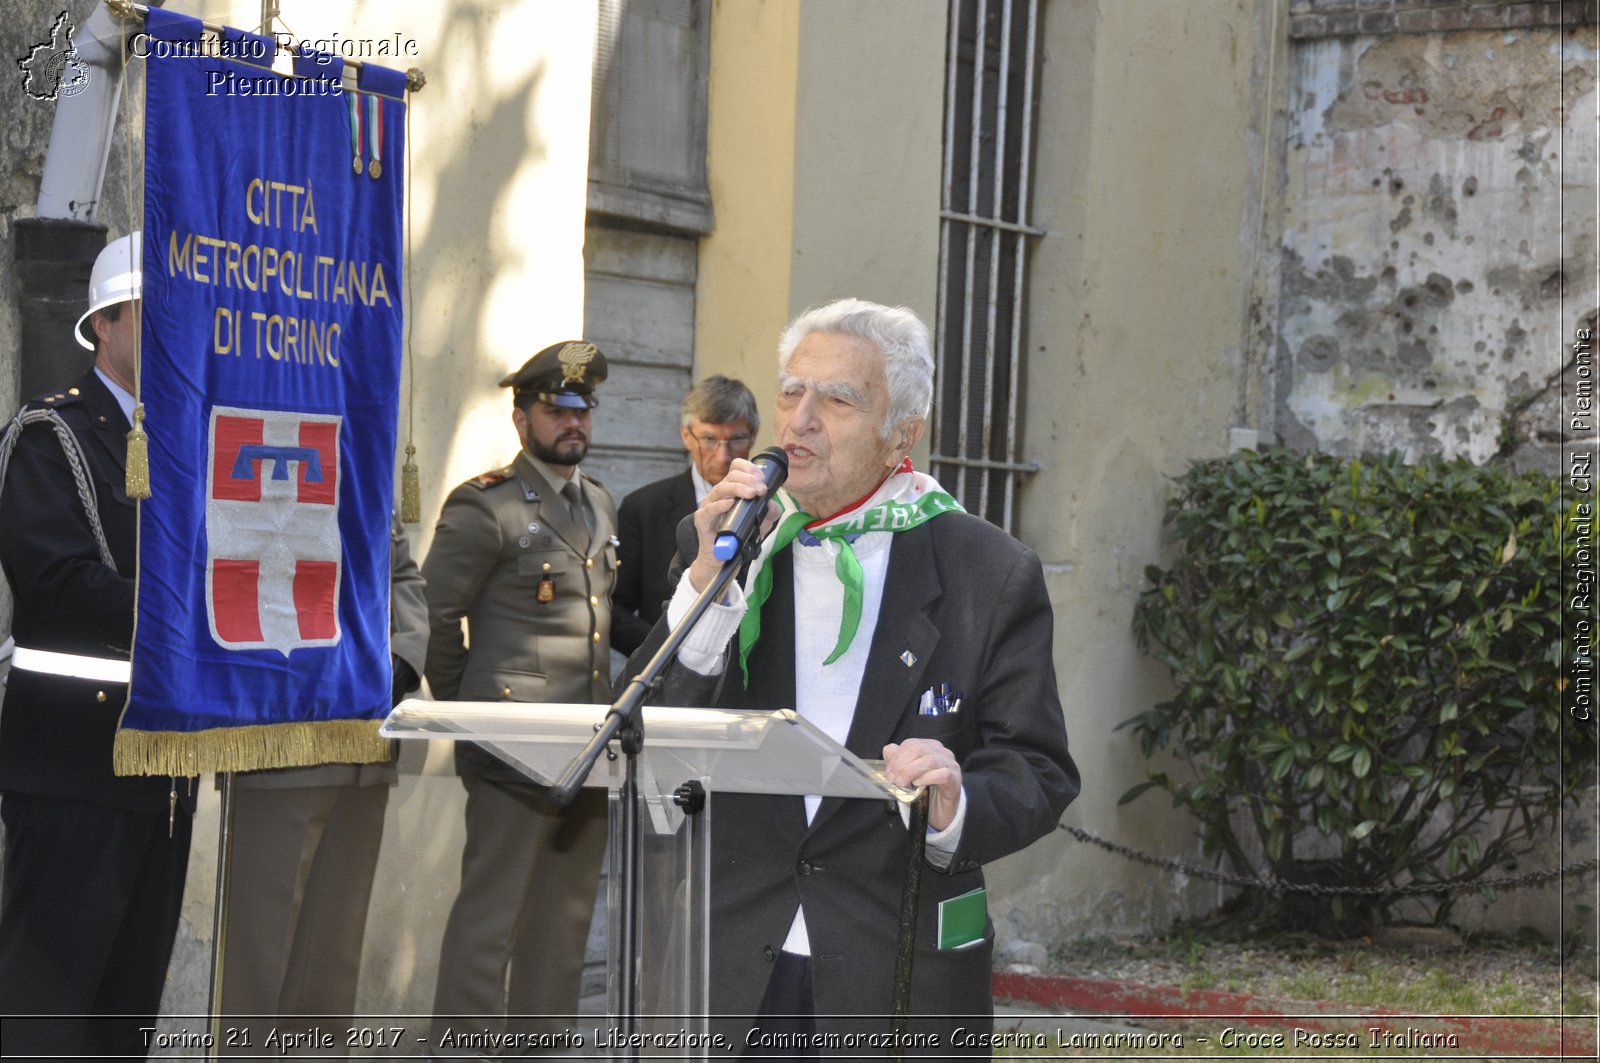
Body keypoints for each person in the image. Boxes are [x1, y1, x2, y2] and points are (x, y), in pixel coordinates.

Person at [626, 298, 1079, 1050]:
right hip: (732, 963)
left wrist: (956, 802)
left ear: (902, 433)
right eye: (791, 392)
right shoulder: (733, 545)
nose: (799, 420)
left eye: (837, 399)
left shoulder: (985, 571)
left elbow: (1038, 767)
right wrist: (709, 575)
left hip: (895, 964)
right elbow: (646, 724)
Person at [0, 232, 195, 1057]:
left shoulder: (188, 444)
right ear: (104, 324)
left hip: (163, 769)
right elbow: (59, 587)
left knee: (127, 1010)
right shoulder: (51, 434)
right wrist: (193, 614)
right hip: (75, 763)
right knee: (48, 1010)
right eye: (155, 317)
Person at [423, 340, 619, 1050]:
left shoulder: (598, 502)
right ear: (521, 416)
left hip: (588, 748)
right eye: (556, 408)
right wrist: (472, 711)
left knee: (560, 934)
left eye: (583, 407)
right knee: (489, 928)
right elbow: (436, 613)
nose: (574, 421)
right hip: (512, 751)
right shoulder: (487, 506)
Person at [218, 514, 428, 1052]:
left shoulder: (362, 458)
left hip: (364, 736)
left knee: (331, 956)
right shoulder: (268, 437)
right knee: (260, 959)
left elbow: (401, 573)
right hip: (287, 732)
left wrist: (403, 656)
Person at [611, 375, 760, 654]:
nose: (723, 455)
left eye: (736, 439)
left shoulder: (776, 511)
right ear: (686, 437)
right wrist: (669, 652)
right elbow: (613, 611)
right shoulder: (642, 509)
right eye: (709, 439)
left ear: (753, 435)